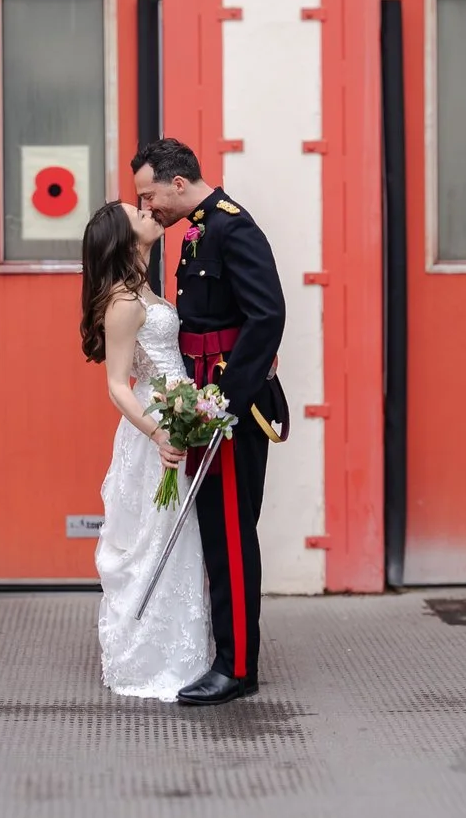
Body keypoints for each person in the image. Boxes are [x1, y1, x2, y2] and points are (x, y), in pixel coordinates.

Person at [132, 137, 286, 706]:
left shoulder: (231, 227)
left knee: (230, 537)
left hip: (230, 408)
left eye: (150, 197)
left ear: (178, 182)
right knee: (216, 534)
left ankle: (237, 666)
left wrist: (224, 401)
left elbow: (266, 316)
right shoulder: (198, 228)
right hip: (204, 399)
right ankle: (229, 652)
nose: (148, 210)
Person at [83, 199, 213, 700]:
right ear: (122, 236)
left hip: (175, 412)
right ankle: (146, 656)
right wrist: (157, 432)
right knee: (154, 538)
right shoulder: (122, 302)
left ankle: (179, 651)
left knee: (176, 538)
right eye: (134, 212)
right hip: (152, 427)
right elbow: (117, 385)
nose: (147, 212)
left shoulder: (144, 290)